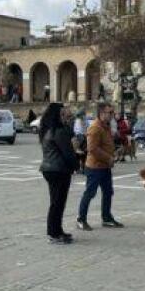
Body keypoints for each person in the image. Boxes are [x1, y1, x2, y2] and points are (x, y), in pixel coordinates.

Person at [77, 102, 122, 230]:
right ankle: (81, 219)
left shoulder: (105, 126)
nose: (112, 115)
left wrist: (114, 152)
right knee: (90, 193)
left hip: (104, 166)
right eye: (110, 113)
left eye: (112, 112)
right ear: (102, 113)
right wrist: (108, 157)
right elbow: (92, 148)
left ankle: (106, 218)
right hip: (94, 167)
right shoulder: (95, 127)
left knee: (108, 192)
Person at [39, 103, 79, 244]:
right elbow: (68, 153)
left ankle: (57, 230)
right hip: (58, 170)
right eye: (62, 114)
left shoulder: (47, 130)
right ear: (57, 115)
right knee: (57, 203)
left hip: (50, 169)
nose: (65, 116)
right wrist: (76, 165)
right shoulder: (58, 131)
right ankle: (54, 233)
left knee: (56, 202)